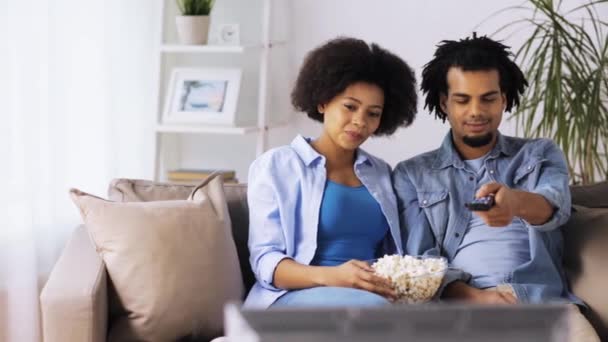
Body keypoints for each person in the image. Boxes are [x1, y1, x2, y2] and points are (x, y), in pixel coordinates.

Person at [392, 35, 599, 341]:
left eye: (488, 98)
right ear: (444, 102)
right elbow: (420, 257)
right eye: (462, 100)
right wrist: (475, 298)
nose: (476, 111)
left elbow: (555, 207)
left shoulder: (539, 153)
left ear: (504, 98)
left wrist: (515, 203)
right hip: (460, 308)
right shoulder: (412, 174)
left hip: (543, 303)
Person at [244, 37, 417, 309]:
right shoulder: (277, 166)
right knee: (377, 311)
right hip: (292, 298)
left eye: (373, 113)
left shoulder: (380, 172)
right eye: (350, 107)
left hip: (370, 298)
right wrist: (334, 277)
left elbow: (390, 254)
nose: (360, 121)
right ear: (323, 101)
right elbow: (266, 262)